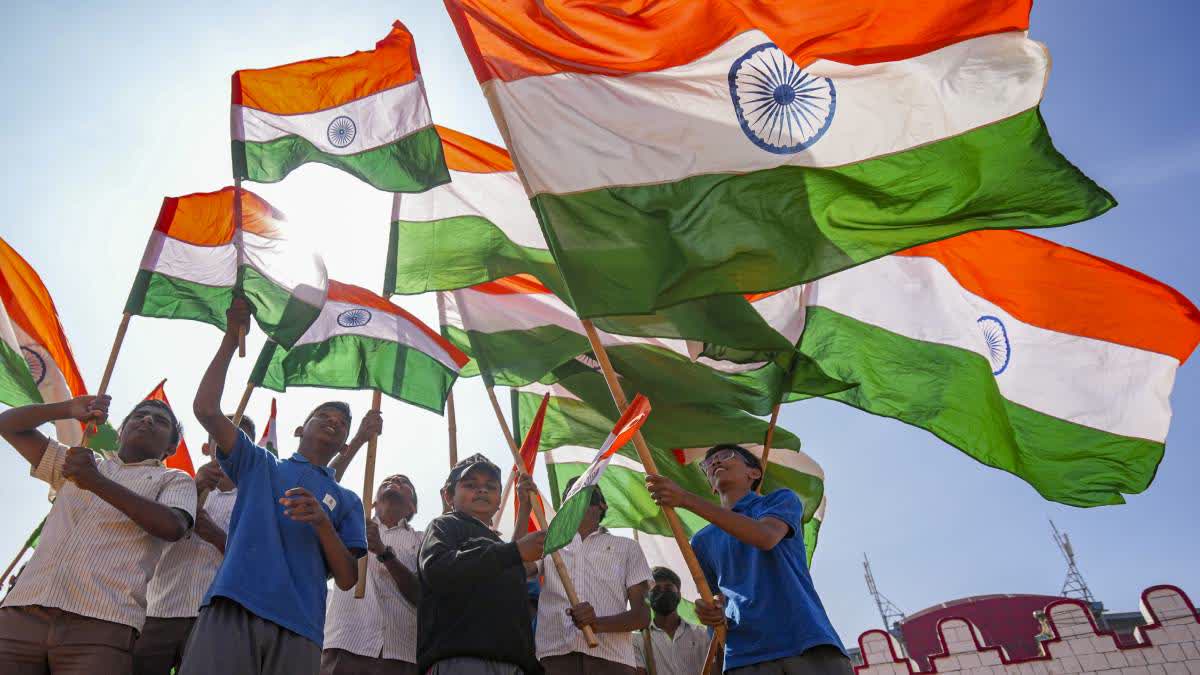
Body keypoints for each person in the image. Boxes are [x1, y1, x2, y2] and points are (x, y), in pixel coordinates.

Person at [181, 297, 366, 675]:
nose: (334, 422)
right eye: (323, 416)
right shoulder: (260, 463)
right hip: (234, 603)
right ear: (301, 428)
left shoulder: (347, 500)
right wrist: (231, 342)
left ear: (346, 444)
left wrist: (321, 523)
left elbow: (347, 579)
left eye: (342, 423)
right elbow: (206, 410)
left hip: (301, 626)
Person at [0, 394, 196, 673]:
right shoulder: (79, 459)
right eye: (139, 415)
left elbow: (173, 526)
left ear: (172, 447)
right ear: (120, 431)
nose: (148, 419)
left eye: (161, 421)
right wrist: (67, 408)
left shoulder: (174, 479)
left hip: (103, 624)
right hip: (22, 613)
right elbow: (8, 425)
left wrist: (94, 481)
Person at [645, 444, 850, 675]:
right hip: (744, 656)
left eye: (726, 456)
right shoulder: (702, 540)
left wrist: (685, 499)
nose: (714, 462)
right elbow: (719, 598)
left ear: (754, 473)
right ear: (711, 486)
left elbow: (766, 537)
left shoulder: (779, 501)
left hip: (804, 642)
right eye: (707, 464)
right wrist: (710, 613)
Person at [132, 414, 256, 675]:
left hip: (214, 619)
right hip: (159, 610)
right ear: (205, 446)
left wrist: (215, 535)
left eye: (239, 440)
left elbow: (256, 561)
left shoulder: (256, 502)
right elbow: (149, 535)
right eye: (220, 436)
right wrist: (195, 488)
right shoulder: (173, 484)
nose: (229, 443)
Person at [418, 453, 546, 674]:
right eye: (470, 485)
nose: (482, 490)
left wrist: (524, 507)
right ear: (449, 496)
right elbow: (437, 569)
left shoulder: (500, 545)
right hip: (462, 659)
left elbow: (513, 563)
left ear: (499, 502)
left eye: (491, 486)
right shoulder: (445, 526)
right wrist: (514, 551)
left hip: (515, 664)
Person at [524, 477, 650, 674]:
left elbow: (641, 616)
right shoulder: (548, 544)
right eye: (572, 496)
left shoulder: (628, 548)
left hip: (613, 661)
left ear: (602, 505)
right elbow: (517, 568)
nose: (579, 498)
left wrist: (597, 624)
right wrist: (525, 508)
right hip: (555, 661)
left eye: (587, 494)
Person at [322, 473, 422, 675]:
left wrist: (384, 553)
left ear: (413, 507)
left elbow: (420, 594)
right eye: (388, 481)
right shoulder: (349, 526)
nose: (394, 482)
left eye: (404, 483)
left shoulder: (422, 540)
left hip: (400, 653)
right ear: (374, 501)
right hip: (346, 643)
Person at [633, 567, 708, 675]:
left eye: (668, 588)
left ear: (679, 595)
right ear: (648, 597)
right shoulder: (637, 641)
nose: (663, 592)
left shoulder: (702, 634)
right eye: (656, 590)